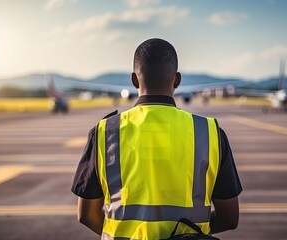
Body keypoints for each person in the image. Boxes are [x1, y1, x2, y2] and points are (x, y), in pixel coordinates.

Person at [71, 38, 242, 239]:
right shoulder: (208, 131)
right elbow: (230, 218)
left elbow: (86, 215)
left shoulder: (105, 132)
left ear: (134, 80)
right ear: (177, 80)